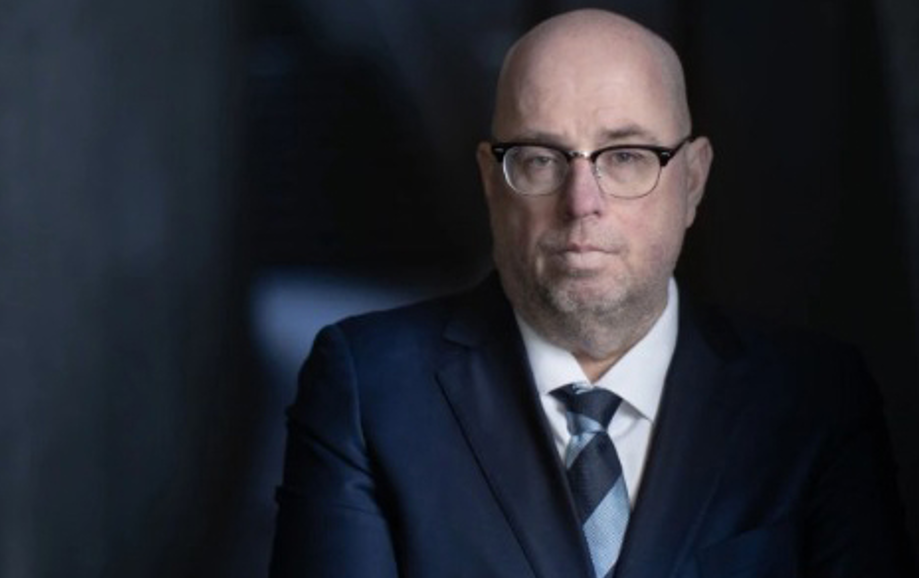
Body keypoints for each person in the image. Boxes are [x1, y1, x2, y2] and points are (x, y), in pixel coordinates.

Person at [269, 8, 916, 578]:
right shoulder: (368, 391)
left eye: (626, 155)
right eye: (540, 158)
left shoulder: (815, 400)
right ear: (492, 182)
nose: (582, 203)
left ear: (692, 180)